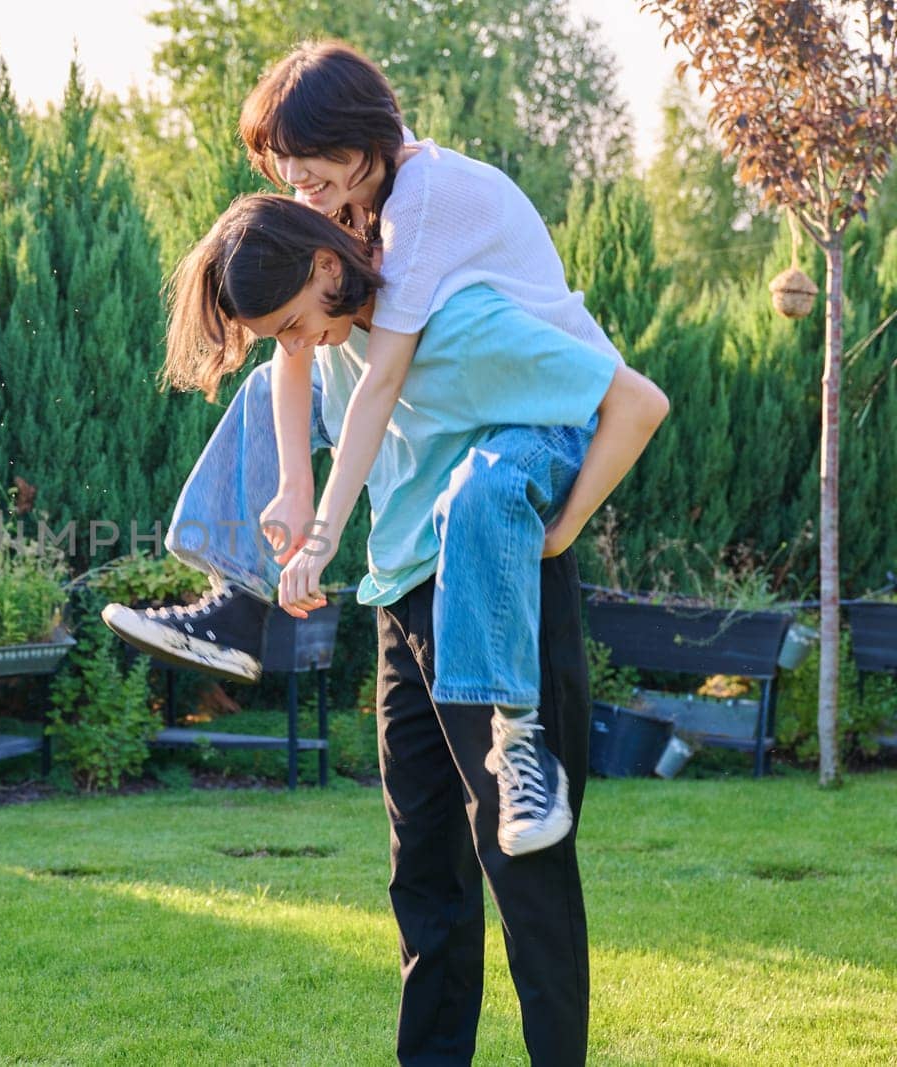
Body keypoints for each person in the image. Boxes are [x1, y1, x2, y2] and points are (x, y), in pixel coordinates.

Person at [107, 193, 668, 1065]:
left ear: (328, 268)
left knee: (523, 870)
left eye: (293, 322)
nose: (297, 344)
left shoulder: (462, 322)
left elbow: (634, 403)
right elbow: (292, 372)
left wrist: (558, 531)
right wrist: (295, 494)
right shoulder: (338, 339)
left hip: (495, 603)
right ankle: (236, 599)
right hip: (400, 604)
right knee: (424, 878)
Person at [106, 39, 636, 855]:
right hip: (463, 392)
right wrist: (290, 486)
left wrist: (323, 531)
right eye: (283, 168)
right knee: (263, 381)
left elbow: (379, 386)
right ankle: (236, 604)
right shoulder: (343, 205)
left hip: (538, 406)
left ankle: (514, 741)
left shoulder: (424, 199)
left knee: (462, 481)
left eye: (306, 165)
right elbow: (294, 352)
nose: (295, 184)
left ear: (358, 146)